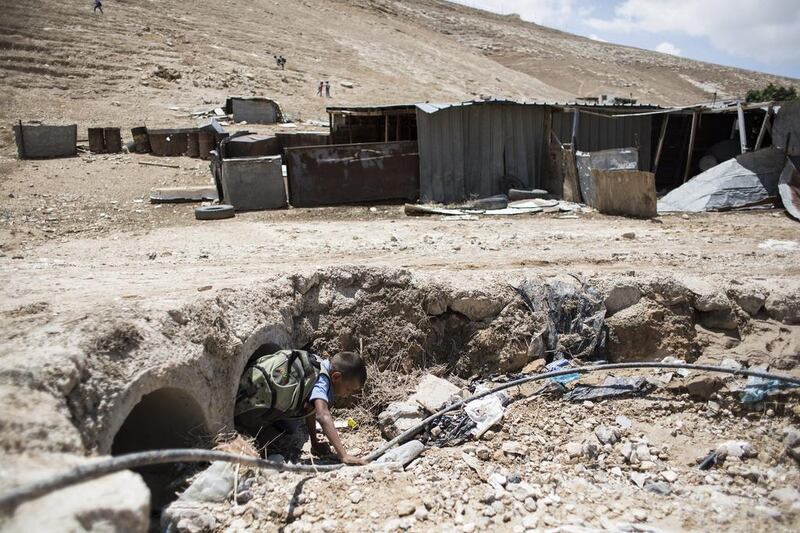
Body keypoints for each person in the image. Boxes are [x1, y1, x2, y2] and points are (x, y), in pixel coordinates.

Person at [234, 349, 367, 465]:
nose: (346, 395)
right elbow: (322, 414)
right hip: (246, 411)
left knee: (292, 425)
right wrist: (343, 455)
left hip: (248, 389)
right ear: (336, 377)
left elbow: (310, 409)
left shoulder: (317, 363)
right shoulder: (322, 380)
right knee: (288, 430)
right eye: (348, 389)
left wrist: (314, 443)